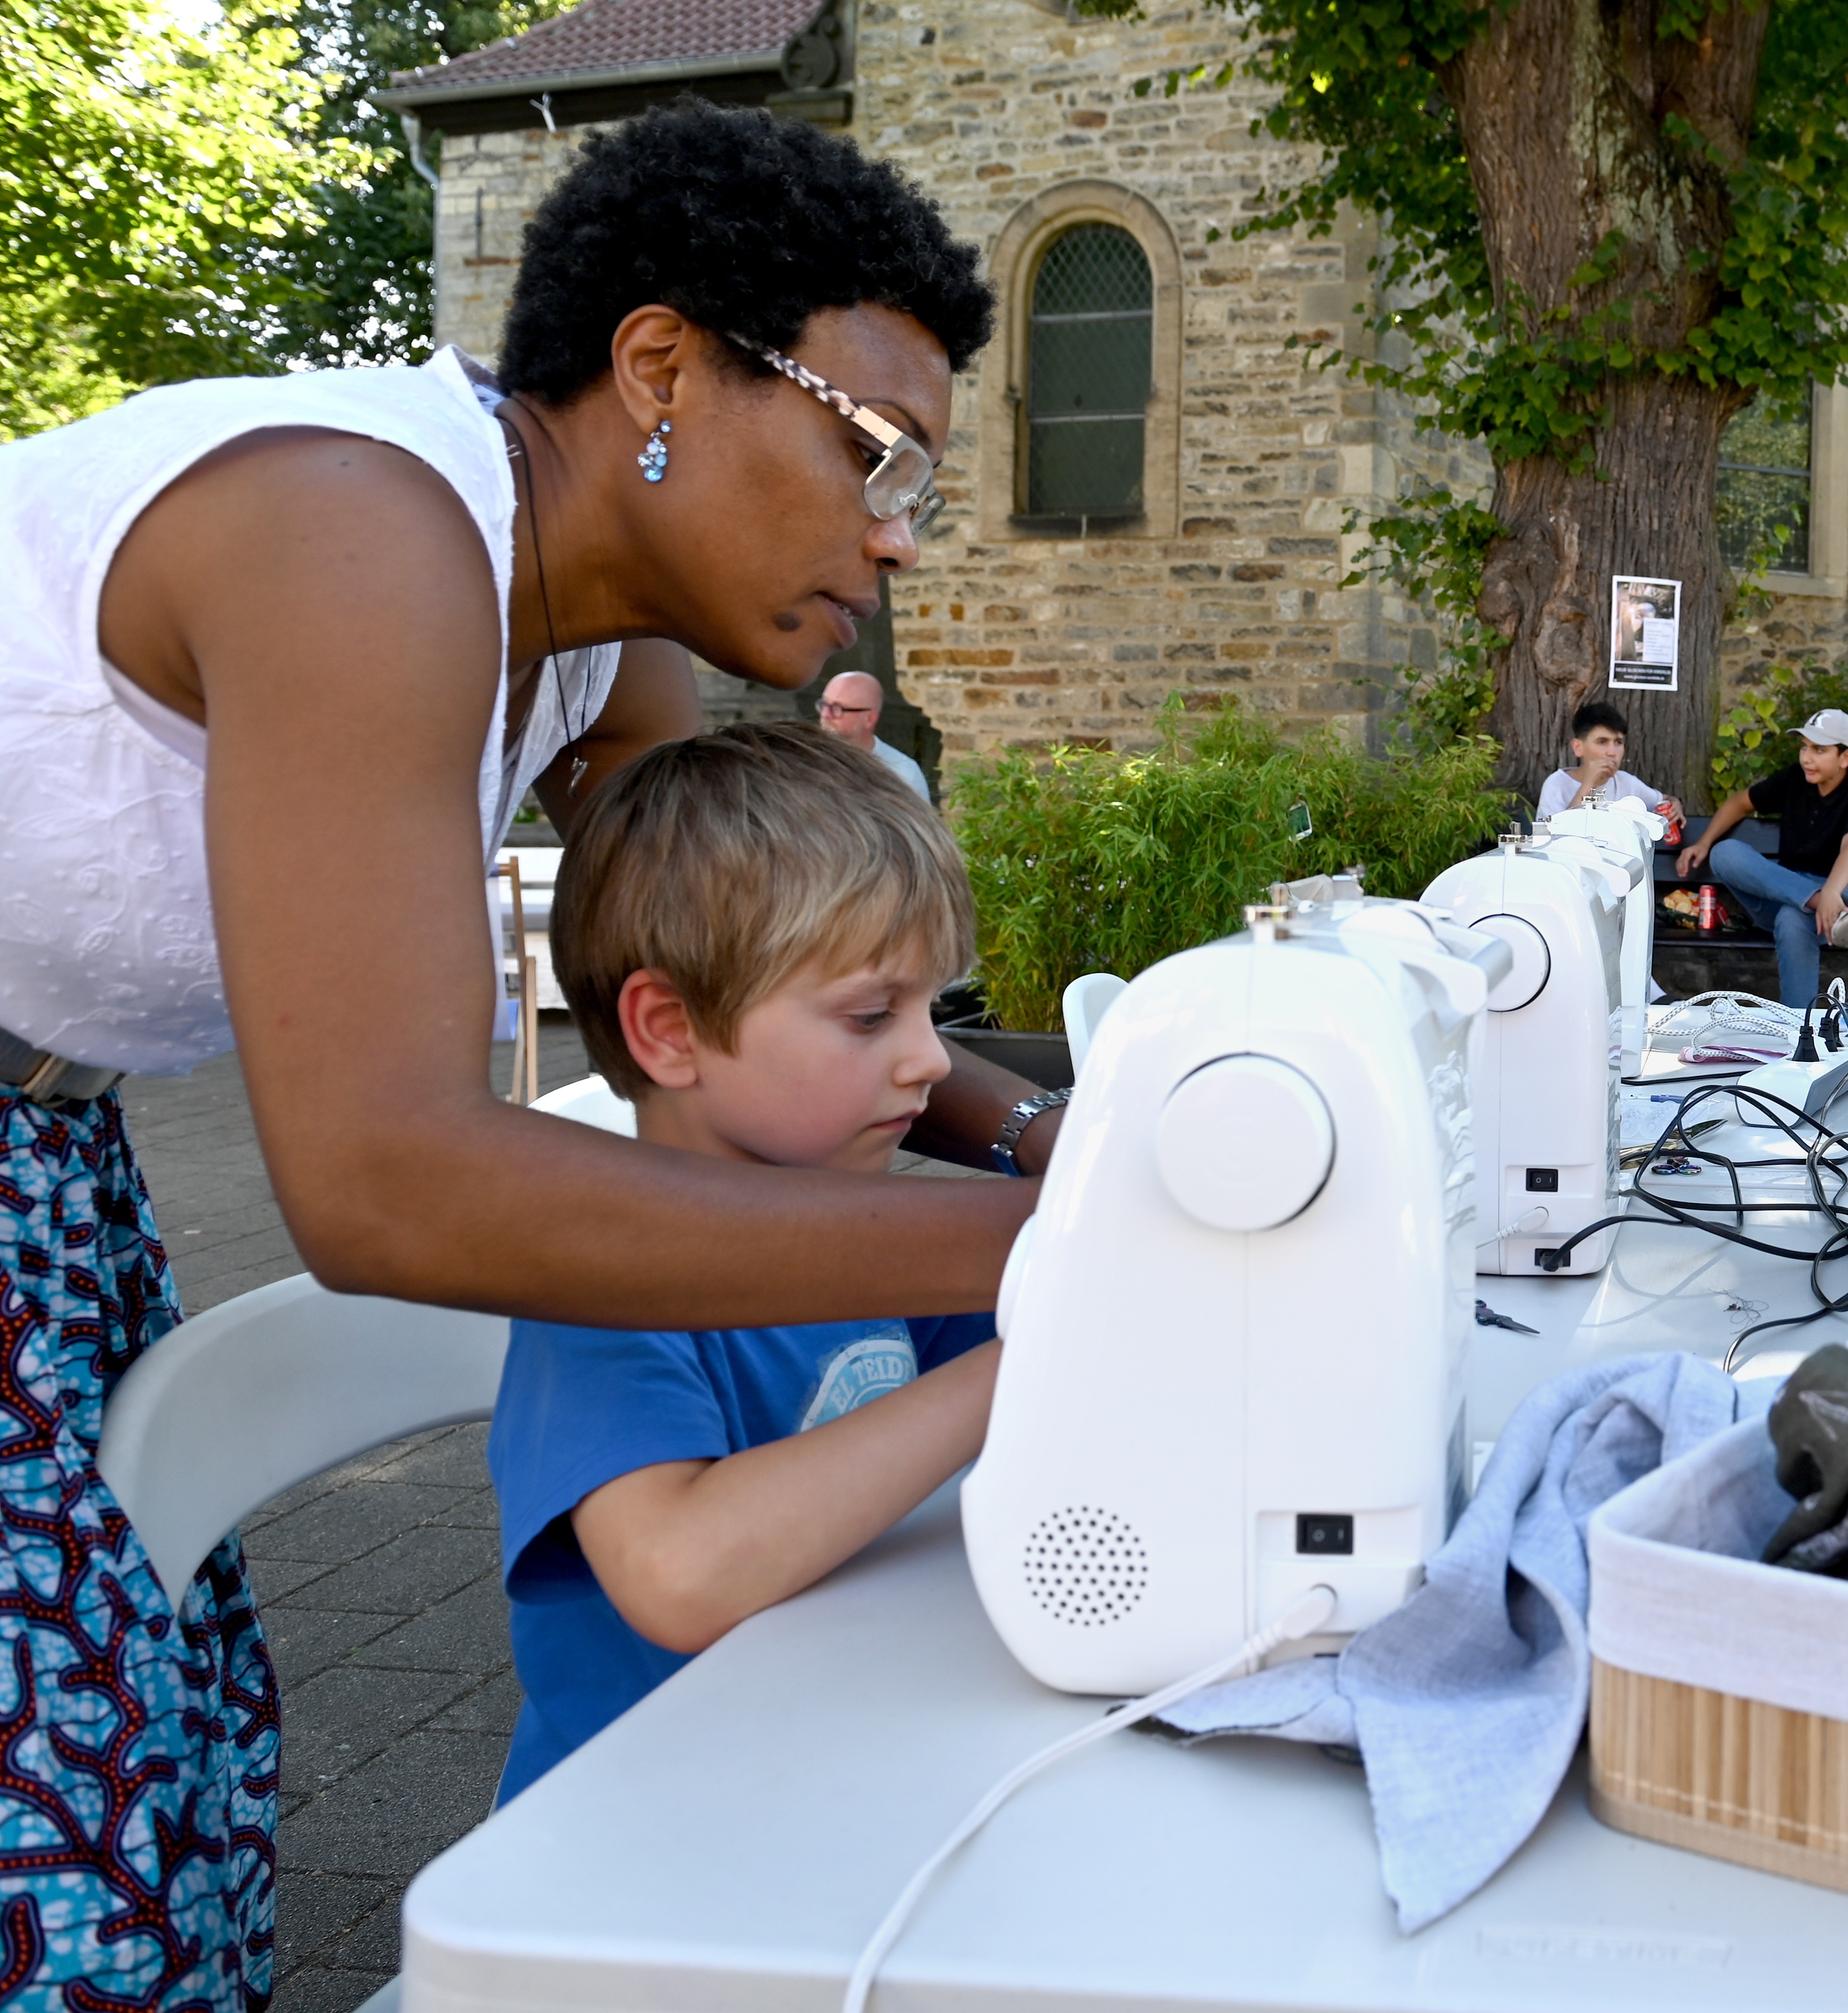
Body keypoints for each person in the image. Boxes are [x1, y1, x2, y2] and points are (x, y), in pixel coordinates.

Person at [0, 98, 1066, 1999]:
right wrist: (1056, 1257)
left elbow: (744, 965)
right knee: (65, 1839)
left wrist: (1042, 1140)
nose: (891, 547)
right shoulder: (357, 535)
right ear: (661, 360)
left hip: (45, 1144)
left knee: (150, 1768)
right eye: (877, 458)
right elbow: (386, 1177)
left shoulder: (592, 639)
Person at [489, 726, 999, 1804]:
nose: (932, 1059)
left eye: (931, 1007)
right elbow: (679, 1572)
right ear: (670, 1030)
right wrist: (1026, 1357)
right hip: (643, 1846)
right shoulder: (598, 1287)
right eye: (872, 1013)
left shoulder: (865, 1231)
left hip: (833, 1768)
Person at [1674, 708, 1848, 1009]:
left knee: (1791, 918)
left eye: (1819, 750)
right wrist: (1704, 843)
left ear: (1846, 758)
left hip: (1843, 895)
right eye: (1804, 747)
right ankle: (1816, 903)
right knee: (1725, 853)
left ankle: (1799, 1027)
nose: (1806, 758)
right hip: (1798, 896)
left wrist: (1832, 892)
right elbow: (1740, 803)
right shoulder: (1794, 780)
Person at [1535, 700, 1681, 821]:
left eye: (1618, 742)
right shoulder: (1557, 785)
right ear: (1578, 747)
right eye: (1602, 742)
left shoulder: (1627, 783)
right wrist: (1590, 784)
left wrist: (1675, 804)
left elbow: (1663, 800)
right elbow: (1556, 838)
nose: (1612, 753)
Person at [816, 667, 932, 802]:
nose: (825, 715)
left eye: (838, 709)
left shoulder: (903, 774)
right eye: (824, 704)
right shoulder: (806, 760)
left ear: (870, 719)